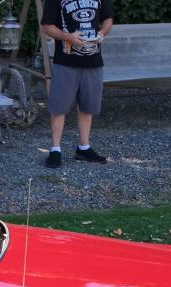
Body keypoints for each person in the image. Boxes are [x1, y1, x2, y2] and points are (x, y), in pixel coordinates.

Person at [40, 0, 114, 169]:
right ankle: (55, 149)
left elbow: (108, 20)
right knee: (59, 106)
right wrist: (68, 37)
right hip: (65, 61)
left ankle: (84, 147)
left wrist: (102, 33)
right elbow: (46, 26)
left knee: (88, 106)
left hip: (93, 60)